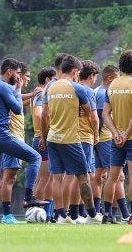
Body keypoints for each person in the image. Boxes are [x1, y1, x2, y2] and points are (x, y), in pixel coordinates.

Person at [0, 58, 45, 223]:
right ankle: (29, 197)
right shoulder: (3, 86)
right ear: (9, 71)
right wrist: (17, 88)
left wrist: (16, 90)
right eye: (17, 73)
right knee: (35, 157)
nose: (18, 77)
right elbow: (17, 109)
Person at [41, 55, 102, 224]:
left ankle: (61, 215)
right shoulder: (78, 89)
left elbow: (45, 116)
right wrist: (96, 135)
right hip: (71, 139)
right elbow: (91, 115)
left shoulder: (50, 88)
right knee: (83, 177)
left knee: (56, 177)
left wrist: (45, 137)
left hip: (53, 138)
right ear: (75, 71)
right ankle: (91, 214)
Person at [101, 50, 132, 224]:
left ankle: (107, 214)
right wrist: (127, 134)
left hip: (116, 139)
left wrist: (115, 134)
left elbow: (105, 114)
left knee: (112, 176)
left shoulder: (112, 85)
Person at [0, 62, 33, 223]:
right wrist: (33, 94)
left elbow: (18, 103)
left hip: (13, 137)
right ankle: (5, 214)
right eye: (26, 76)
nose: (26, 79)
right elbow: (15, 106)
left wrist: (31, 95)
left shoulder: (13, 92)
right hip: (12, 137)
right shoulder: (11, 90)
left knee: (6, 177)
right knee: (8, 178)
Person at [93, 64, 118, 221]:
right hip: (105, 138)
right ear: (109, 78)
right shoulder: (103, 93)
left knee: (99, 174)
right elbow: (102, 117)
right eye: (116, 78)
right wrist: (98, 136)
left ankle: (97, 210)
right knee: (115, 174)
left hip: (99, 139)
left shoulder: (97, 91)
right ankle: (112, 212)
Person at [31, 66, 56, 219]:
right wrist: (44, 135)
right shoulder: (42, 94)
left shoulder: (39, 93)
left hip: (40, 138)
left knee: (48, 178)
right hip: (42, 140)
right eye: (54, 79)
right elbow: (39, 115)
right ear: (47, 80)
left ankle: (46, 213)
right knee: (45, 178)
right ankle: (37, 212)